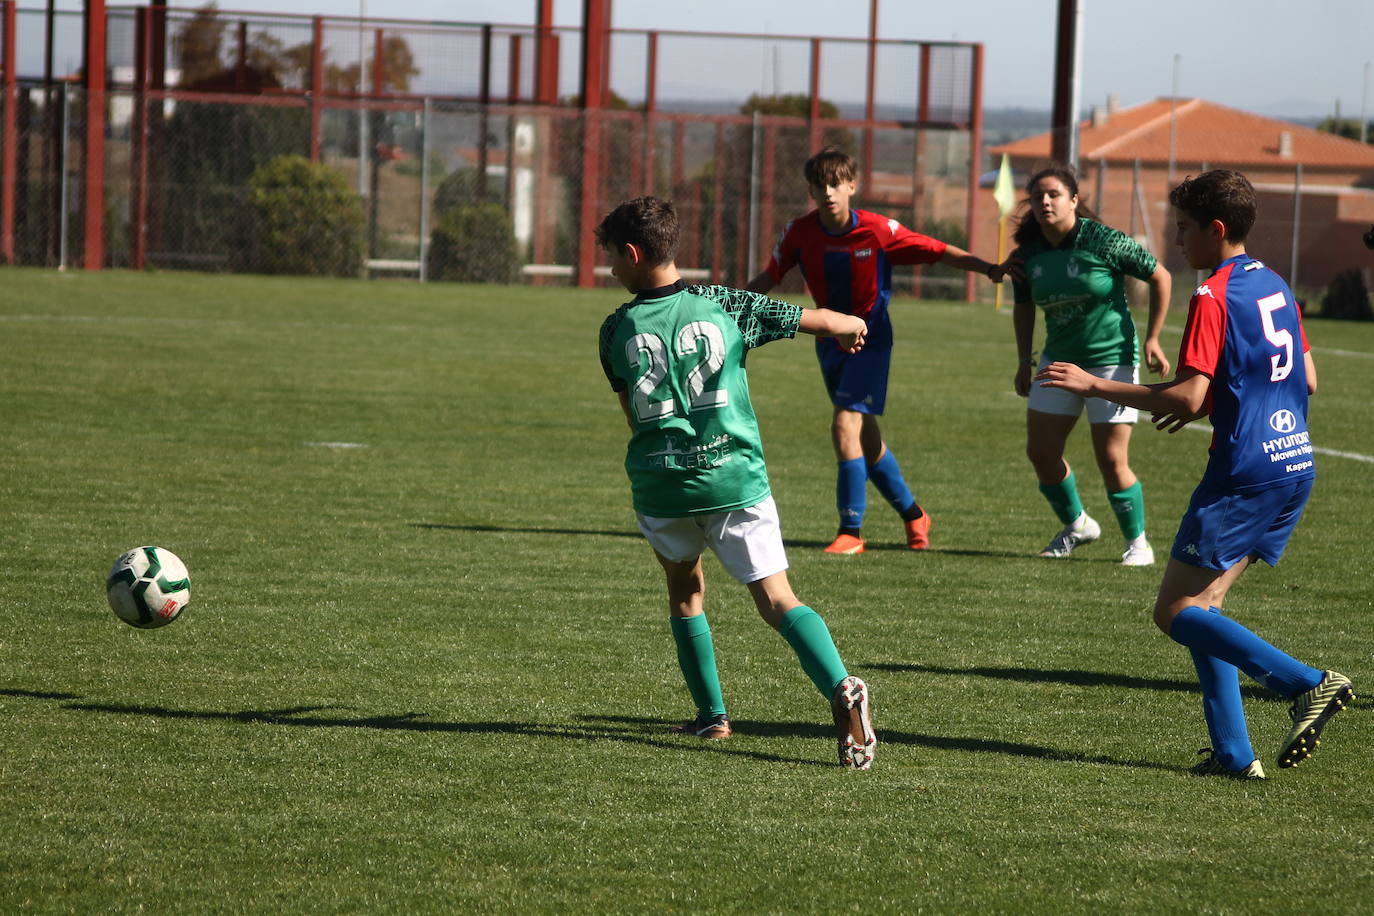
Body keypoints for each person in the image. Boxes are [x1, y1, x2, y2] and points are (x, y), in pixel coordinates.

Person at [1036, 169, 1353, 778]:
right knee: (1205, 607)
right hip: (1294, 463)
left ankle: (1305, 684)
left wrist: (1094, 383)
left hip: (1244, 470)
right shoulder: (1277, 285)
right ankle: (1235, 754)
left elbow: (1186, 397)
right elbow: (1305, 379)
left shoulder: (1213, 294)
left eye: (1183, 228)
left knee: (1175, 611)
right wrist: (1212, 399)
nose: (1176, 241)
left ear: (1215, 229)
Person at [596, 196, 878, 769]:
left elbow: (632, 415)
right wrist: (849, 327)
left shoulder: (615, 328)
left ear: (631, 253)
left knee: (684, 591)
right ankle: (841, 685)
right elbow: (811, 320)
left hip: (663, 486)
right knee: (777, 600)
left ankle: (712, 716)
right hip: (733, 478)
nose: (611, 271)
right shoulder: (724, 303)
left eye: (612, 260)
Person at [746, 146, 1013, 555]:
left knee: (844, 426)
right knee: (867, 440)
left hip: (870, 341)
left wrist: (988, 269)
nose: (829, 192)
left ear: (852, 186)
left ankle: (850, 531)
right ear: (811, 191)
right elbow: (769, 276)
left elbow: (938, 250)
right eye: (820, 186)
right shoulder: (799, 233)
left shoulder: (877, 230)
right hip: (829, 342)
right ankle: (913, 514)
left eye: (836, 184)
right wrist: (724, 307)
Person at [1008, 164, 1172, 566]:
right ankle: (1077, 524)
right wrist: (1024, 361)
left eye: (1054, 195)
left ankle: (1138, 544)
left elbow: (1161, 277)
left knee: (1112, 460)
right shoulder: (1027, 255)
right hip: (1058, 363)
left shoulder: (1103, 240)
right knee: (1041, 452)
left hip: (1111, 361)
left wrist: (1152, 337)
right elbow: (1024, 307)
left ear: (1074, 200)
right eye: (1037, 197)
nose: (1044, 202)